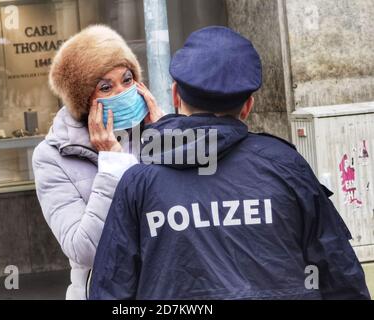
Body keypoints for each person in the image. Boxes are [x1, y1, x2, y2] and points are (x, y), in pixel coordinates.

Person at [89, 26, 371, 300]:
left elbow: (111, 287)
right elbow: (340, 274)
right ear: (247, 106)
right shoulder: (286, 165)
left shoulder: (138, 182)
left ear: (175, 95)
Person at [32, 25, 163, 300]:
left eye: (127, 80)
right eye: (106, 86)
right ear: (83, 100)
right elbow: (84, 250)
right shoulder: (52, 156)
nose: (122, 92)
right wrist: (113, 165)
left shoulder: (154, 132)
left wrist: (167, 137)